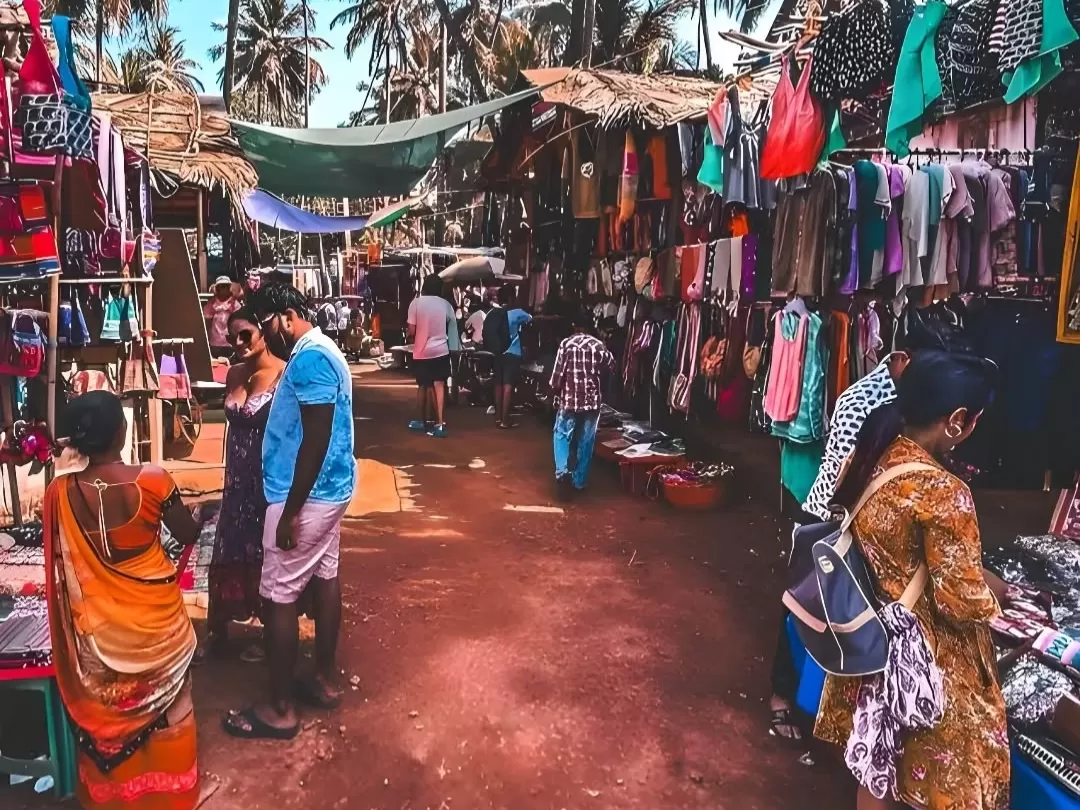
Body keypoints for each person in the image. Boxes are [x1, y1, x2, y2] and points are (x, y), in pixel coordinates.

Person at [814, 351, 1008, 810]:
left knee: (877, 766)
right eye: (976, 419)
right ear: (956, 421)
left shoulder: (872, 456)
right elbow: (960, 600)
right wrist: (995, 592)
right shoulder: (945, 493)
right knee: (952, 773)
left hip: (872, 641)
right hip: (924, 659)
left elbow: (890, 550)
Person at [43, 391, 204, 809]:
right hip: (158, 624)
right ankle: (171, 794)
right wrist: (201, 515)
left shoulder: (57, 493)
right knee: (172, 700)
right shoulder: (153, 479)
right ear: (121, 430)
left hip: (100, 629)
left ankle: (111, 796)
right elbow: (186, 534)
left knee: (109, 702)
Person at [224, 282, 355, 740]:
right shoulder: (320, 351)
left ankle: (280, 709)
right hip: (326, 492)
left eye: (267, 325)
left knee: (279, 594)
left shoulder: (312, 357)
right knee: (325, 575)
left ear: (287, 314)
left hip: (307, 496)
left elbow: (316, 438)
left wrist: (292, 509)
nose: (267, 335)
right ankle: (322, 678)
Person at [202, 307, 286, 662]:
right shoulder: (233, 373)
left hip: (268, 482)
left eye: (245, 335)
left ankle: (273, 634)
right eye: (232, 336)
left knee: (267, 554)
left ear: (264, 332)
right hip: (236, 483)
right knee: (228, 549)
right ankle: (217, 631)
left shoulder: (285, 373)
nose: (236, 343)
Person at [549, 310, 613, 499]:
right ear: (588, 328)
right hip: (592, 403)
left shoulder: (565, 344)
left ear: (573, 327)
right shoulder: (598, 346)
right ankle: (579, 481)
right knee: (586, 441)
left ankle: (562, 472)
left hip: (569, 401)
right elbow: (611, 365)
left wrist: (553, 391)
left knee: (561, 434)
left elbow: (556, 377)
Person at [406, 274, 458, 438]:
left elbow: (412, 331)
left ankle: (421, 421)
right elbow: (453, 326)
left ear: (425, 287)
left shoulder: (415, 303)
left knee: (422, 385)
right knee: (439, 385)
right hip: (441, 350)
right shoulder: (446, 305)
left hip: (421, 351)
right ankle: (439, 424)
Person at [491, 286, 532, 429]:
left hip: (497, 352)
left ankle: (497, 418)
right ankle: (505, 420)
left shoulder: (494, 313)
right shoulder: (517, 313)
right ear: (511, 298)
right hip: (512, 352)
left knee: (498, 384)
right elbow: (530, 319)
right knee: (508, 384)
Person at [203, 275, 240, 359]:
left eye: (226, 286)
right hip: (214, 343)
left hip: (230, 344)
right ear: (217, 289)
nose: (224, 289)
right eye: (222, 286)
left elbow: (239, 323)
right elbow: (206, 323)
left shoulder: (235, 304)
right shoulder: (211, 304)